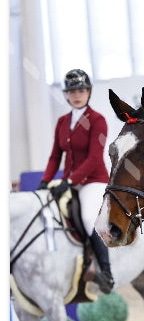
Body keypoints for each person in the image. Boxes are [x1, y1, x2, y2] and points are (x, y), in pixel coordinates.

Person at [37, 69, 114, 293]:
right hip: (68, 181)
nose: (77, 95)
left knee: (89, 217)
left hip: (93, 180)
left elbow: (94, 158)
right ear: (66, 95)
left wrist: (70, 181)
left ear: (88, 92)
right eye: (72, 91)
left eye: (81, 90)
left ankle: (106, 274)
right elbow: (54, 156)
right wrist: (45, 181)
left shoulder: (98, 120)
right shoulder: (62, 122)